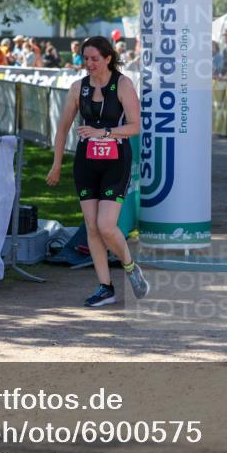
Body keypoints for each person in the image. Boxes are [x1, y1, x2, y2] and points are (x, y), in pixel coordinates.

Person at [46, 36, 150, 307]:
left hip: (116, 161)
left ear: (107, 58)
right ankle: (105, 287)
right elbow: (62, 129)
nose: (89, 64)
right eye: (85, 59)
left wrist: (103, 132)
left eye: (94, 59)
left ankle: (130, 267)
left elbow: (135, 126)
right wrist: (56, 164)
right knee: (92, 227)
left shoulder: (123, 84)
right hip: (86, 162)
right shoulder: (77, 88)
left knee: (106, 225)